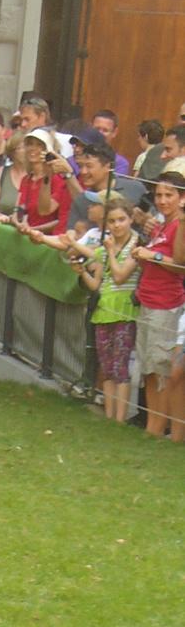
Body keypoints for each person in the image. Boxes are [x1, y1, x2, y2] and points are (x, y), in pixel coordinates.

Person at [69, 195, 140, 421]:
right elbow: (97, 284)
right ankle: (110, 417)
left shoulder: (135, 246)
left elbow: (120, 276)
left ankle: (120, 418)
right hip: (104, 310)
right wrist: (81, 272)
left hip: (124, 311)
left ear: (130, 220)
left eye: (121, 220)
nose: (117, 225)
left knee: (121, 367)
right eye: (112, 221)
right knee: (107, 367)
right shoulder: (103, 249)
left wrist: (109, 251)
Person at [132, 171, 185, 439]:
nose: (163, 200)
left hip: (166, 304)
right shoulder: (162, 224)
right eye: (159, 195)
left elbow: (180, 265)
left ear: (181, 198)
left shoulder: (180, 225)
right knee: (150, 369)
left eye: (169, 195)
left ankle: (158, 428)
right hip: (148, 299)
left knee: (162, 367)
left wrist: (151, 254)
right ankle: (152, 427)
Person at [64, 140, 144, 236]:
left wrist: (145, 220)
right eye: (80, 166)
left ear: (108, 166)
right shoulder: (81, 199)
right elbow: (72, 236)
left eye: (89, 166)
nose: (83, 172)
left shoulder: (135, 188)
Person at [15, 128, 73, 234]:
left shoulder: (58, 179)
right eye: (30, 144)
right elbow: (19, 209)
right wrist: (18, 222)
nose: (33, 148)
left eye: (39, 145)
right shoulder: (26, 179)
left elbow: (53, 216)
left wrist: (33, 230)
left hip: (46, 240)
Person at [0, 130, 27, 219]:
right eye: (22, 147)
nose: (26, 151)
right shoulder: (2, 173)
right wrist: (0, 216)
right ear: (12, 151)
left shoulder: (35, 176)